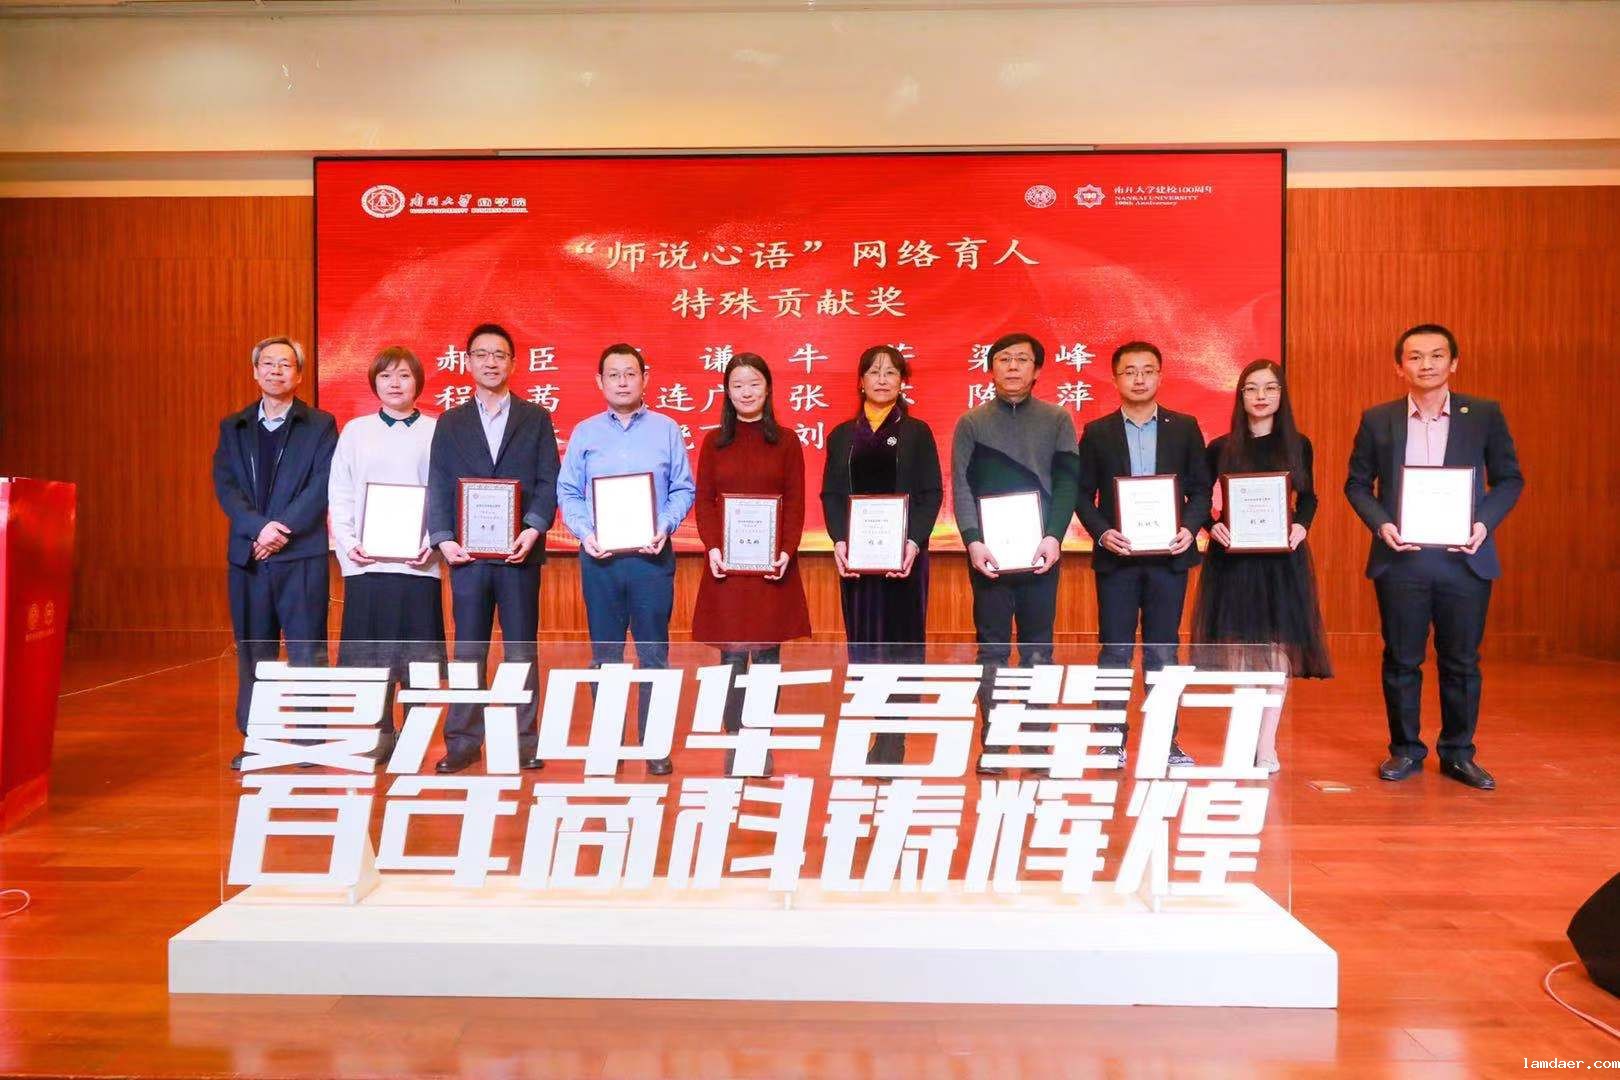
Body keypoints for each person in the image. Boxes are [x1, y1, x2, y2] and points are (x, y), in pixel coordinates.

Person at [1345, 323, 1523, 790]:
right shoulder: (1378, 419)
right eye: (1415, 357)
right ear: (1399, 367)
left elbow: (1509, 479)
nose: (1426, 364)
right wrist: (1381, 523)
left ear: (1454, 363)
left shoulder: (1482, 414)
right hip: (1401, 558)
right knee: (1402, 659)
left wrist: (1483, 523)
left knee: (1461, 661)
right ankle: (1405, 749)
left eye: (1437, 355)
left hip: (1464, 558)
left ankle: (1459, 754)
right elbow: (1357, 484)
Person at [426, 323, 560, 775]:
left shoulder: (535, 418)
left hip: (519, 553)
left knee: (521, 650)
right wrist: (443, 537)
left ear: (513, 363)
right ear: (468, 362)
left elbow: (548, 479)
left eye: (499, 355)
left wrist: (534, 528)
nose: (490, 362)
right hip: (467, 557)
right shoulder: (450, 422)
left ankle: (523, 742)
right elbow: (439, 482)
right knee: (468, 651)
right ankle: (463, 742)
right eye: (481, 354)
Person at [557, 343, 696, 776]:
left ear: (645, 378)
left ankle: (654, 745)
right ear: (599, 382)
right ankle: (608, 745)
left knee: (654, 653)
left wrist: (665, 525)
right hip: (600, 560)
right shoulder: (585, 433)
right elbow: (568, 491)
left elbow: (683, 487)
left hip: (651, 558)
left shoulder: (666, 429)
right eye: (613, 375)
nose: (622, 382)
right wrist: (586, 533)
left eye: (630, 374)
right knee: (606, 656)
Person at [1075, 340, 1212, 767]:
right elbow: (1081, 494)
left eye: (1147, 370)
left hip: (1169, 559)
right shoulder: (1097, 432)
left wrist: (1190, 528)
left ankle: (1164, 742)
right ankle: (1111, 740)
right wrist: (1102, 534)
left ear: (1160, 375)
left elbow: (1201, 490)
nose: (1139, 378)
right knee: (1115, 651)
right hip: (1117, 560)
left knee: (1163, 652)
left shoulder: (1184, 427)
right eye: (1129, 371)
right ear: (1115, 378)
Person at [1192, 359, 1332, 772]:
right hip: (1233, 560)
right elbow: (1198, 498)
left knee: (1276, 650)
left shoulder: (1298, 444)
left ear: (1281, 395)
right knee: (1240, 651)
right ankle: (1244, 734)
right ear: (1240, 395)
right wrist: (1211, 526)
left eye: (1270, 388)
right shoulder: (1220, 447)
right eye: (1251, 388)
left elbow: (1309, 497)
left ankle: (1266, 743)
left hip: (1281, 560)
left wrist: (1302, 526)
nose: (1260, 396)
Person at [951, 332, 1079, 776]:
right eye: (1003, 359)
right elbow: (961, 486)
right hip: (988, 557)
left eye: (1022, 359)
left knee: (1038, 649)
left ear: (1036, 369)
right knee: (991, 651)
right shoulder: (971, 423)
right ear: (990, 368)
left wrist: (1054, 536)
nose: (1012, 367)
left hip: (1041, 553)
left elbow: (1068, 482)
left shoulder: (1057, 419)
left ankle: (1037, 742)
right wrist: (972, 540)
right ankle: (994, 743)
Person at [212, 336, 338, 770]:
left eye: (285, 364)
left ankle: (309, 739)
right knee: (254, 651)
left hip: (299, 555)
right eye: (267, 363)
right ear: (255, 371)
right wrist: (257, 528)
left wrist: (280, 530)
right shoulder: (234, 426)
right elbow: (226, 486)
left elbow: (322, 485)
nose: (275, 371)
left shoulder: (320, 425)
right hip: (249, 556)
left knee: (307, 650)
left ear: (298, 375)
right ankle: (257, 739)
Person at [821, 344, 943, 765]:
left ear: (902, 381)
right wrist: (839, 541)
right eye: (873, 372)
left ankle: (895, 739)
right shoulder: (841, 435)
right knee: (865, 647)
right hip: (857, 564)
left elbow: (931, 494)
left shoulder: (917, 432)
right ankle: (872, 729)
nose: (882, 379)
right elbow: (832, 495)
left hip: (904, 562)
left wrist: (913, 543)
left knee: (902, 647)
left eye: (891, 372)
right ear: (860, 381)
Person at [692, 353, 812, 775]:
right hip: (727, 566)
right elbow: (704, 501)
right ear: (727, 392)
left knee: (766, 658)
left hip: (770, 566)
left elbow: (795, 502)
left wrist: (786, 551)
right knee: (731, 659)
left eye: (754, 383)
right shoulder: (713, 442)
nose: (746, 392)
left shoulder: (787, 441)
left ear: (768, 388)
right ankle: (735, 741)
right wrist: (712, 547)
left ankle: (760, 741)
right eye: (738, 385)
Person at [327, 345, 445, 763]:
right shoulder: (356, 432)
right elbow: (340, 491)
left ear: (418, 382)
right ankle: (380, 730)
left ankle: (413, 733)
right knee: (371, 655)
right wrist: (348, 542)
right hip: (367, 562)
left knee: (418, 655)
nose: (395, 383)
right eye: (386, 375)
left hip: (418, 563)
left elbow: (444, 493)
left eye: (404, 375)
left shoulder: (437, 431)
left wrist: (431, 541)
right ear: (374, 382)